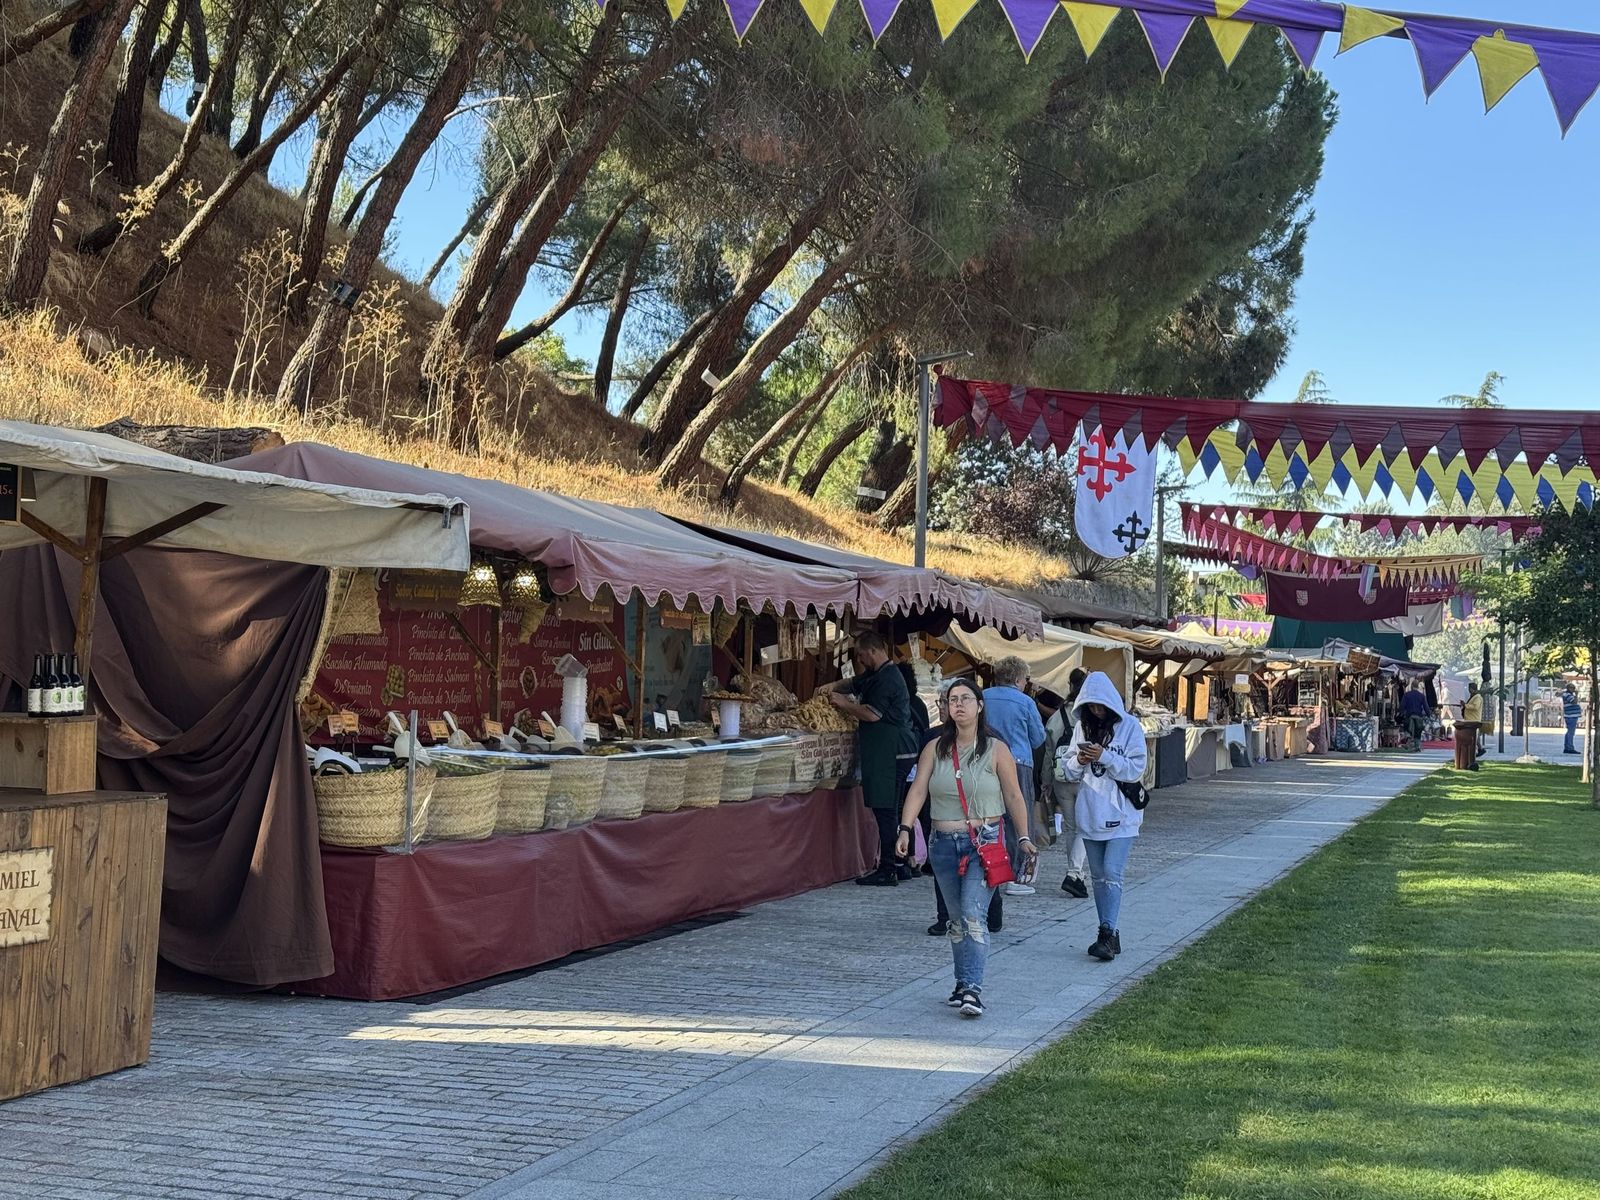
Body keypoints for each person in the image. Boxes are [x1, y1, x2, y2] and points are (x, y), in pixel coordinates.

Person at [896, 678, 1038, 1017]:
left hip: (984, 841)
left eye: (965, 698)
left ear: (980, 705)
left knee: (974, 915)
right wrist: (905, 828)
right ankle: (962, 984)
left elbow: (1014, 795)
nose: (958, 705)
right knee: (956, 918)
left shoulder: (996, 749)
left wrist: (1024, 836)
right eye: (952, 700)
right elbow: (918, 790)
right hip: (943, 843)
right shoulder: (934, 748)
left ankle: (973, 989)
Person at [1056, 671, 1149, 962]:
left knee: (1111, 872)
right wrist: (1080, 759)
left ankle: (1107, 932)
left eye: (1101, 705)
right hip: (1091, 811)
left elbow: (1137, 768)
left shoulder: (1130, 726)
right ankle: (1107, 931)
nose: (1097, 711)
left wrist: (1105, 756)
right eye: (1091, 706)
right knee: (1097, 876)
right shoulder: (1081, 728)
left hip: (1122, 813)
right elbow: (1067, 769)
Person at [829, 631, 918, 886]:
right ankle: (900, 864)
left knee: (886, 809)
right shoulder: (878, 673)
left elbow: (872, 714)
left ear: (873, 651)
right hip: (894, 750)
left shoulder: (887, 678)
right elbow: (855, 683)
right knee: (894, 809)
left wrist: (843, 704)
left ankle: (888, 868)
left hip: (891, 752)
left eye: (860, 654)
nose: (859, 659)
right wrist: (832, 687)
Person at [981, 656, 1047, 898]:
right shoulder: (1025, 702)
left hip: (985, 760)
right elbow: (1038, 738)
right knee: (1019, 816)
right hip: (1018, 762)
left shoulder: (983, 697)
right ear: (1019, 679)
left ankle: (988, 868)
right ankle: (1016, 874)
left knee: (988, 815)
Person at [1044, 668, 1091, 900]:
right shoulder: (1090, 715)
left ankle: (1077, 873)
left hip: (1061, 777)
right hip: (1084, 777)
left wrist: (1045, 781)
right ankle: (1074, 873)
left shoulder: (1057, 717)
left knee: (1072, 827)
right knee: (1083, 827)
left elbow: (1048, 752)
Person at [1400, 683, 1431, 748]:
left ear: (1411, 686)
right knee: (1418, 731)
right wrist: (1428, 715)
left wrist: (1401, 713)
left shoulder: (1406, 695)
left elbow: (1402, 706)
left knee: (1406, 727)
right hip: (1418, 717)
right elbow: (1426, 707)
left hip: (1409, 716)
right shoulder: (1422, 696)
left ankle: (1408, 737)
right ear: (1418, 687)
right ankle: (1417, 745)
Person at [1563, 684, 1582, 755]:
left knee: (1569, 732)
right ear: (1568, 688)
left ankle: (1567, 747)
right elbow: (1574, 702)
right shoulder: (1567, 695)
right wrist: (1576, 695)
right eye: (1572, 688)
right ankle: (1570, 748)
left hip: (1571, 715)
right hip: (1571, 716)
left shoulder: (1568, 695)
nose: (1573, 689)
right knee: (1571, 732)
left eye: (1574, 688)